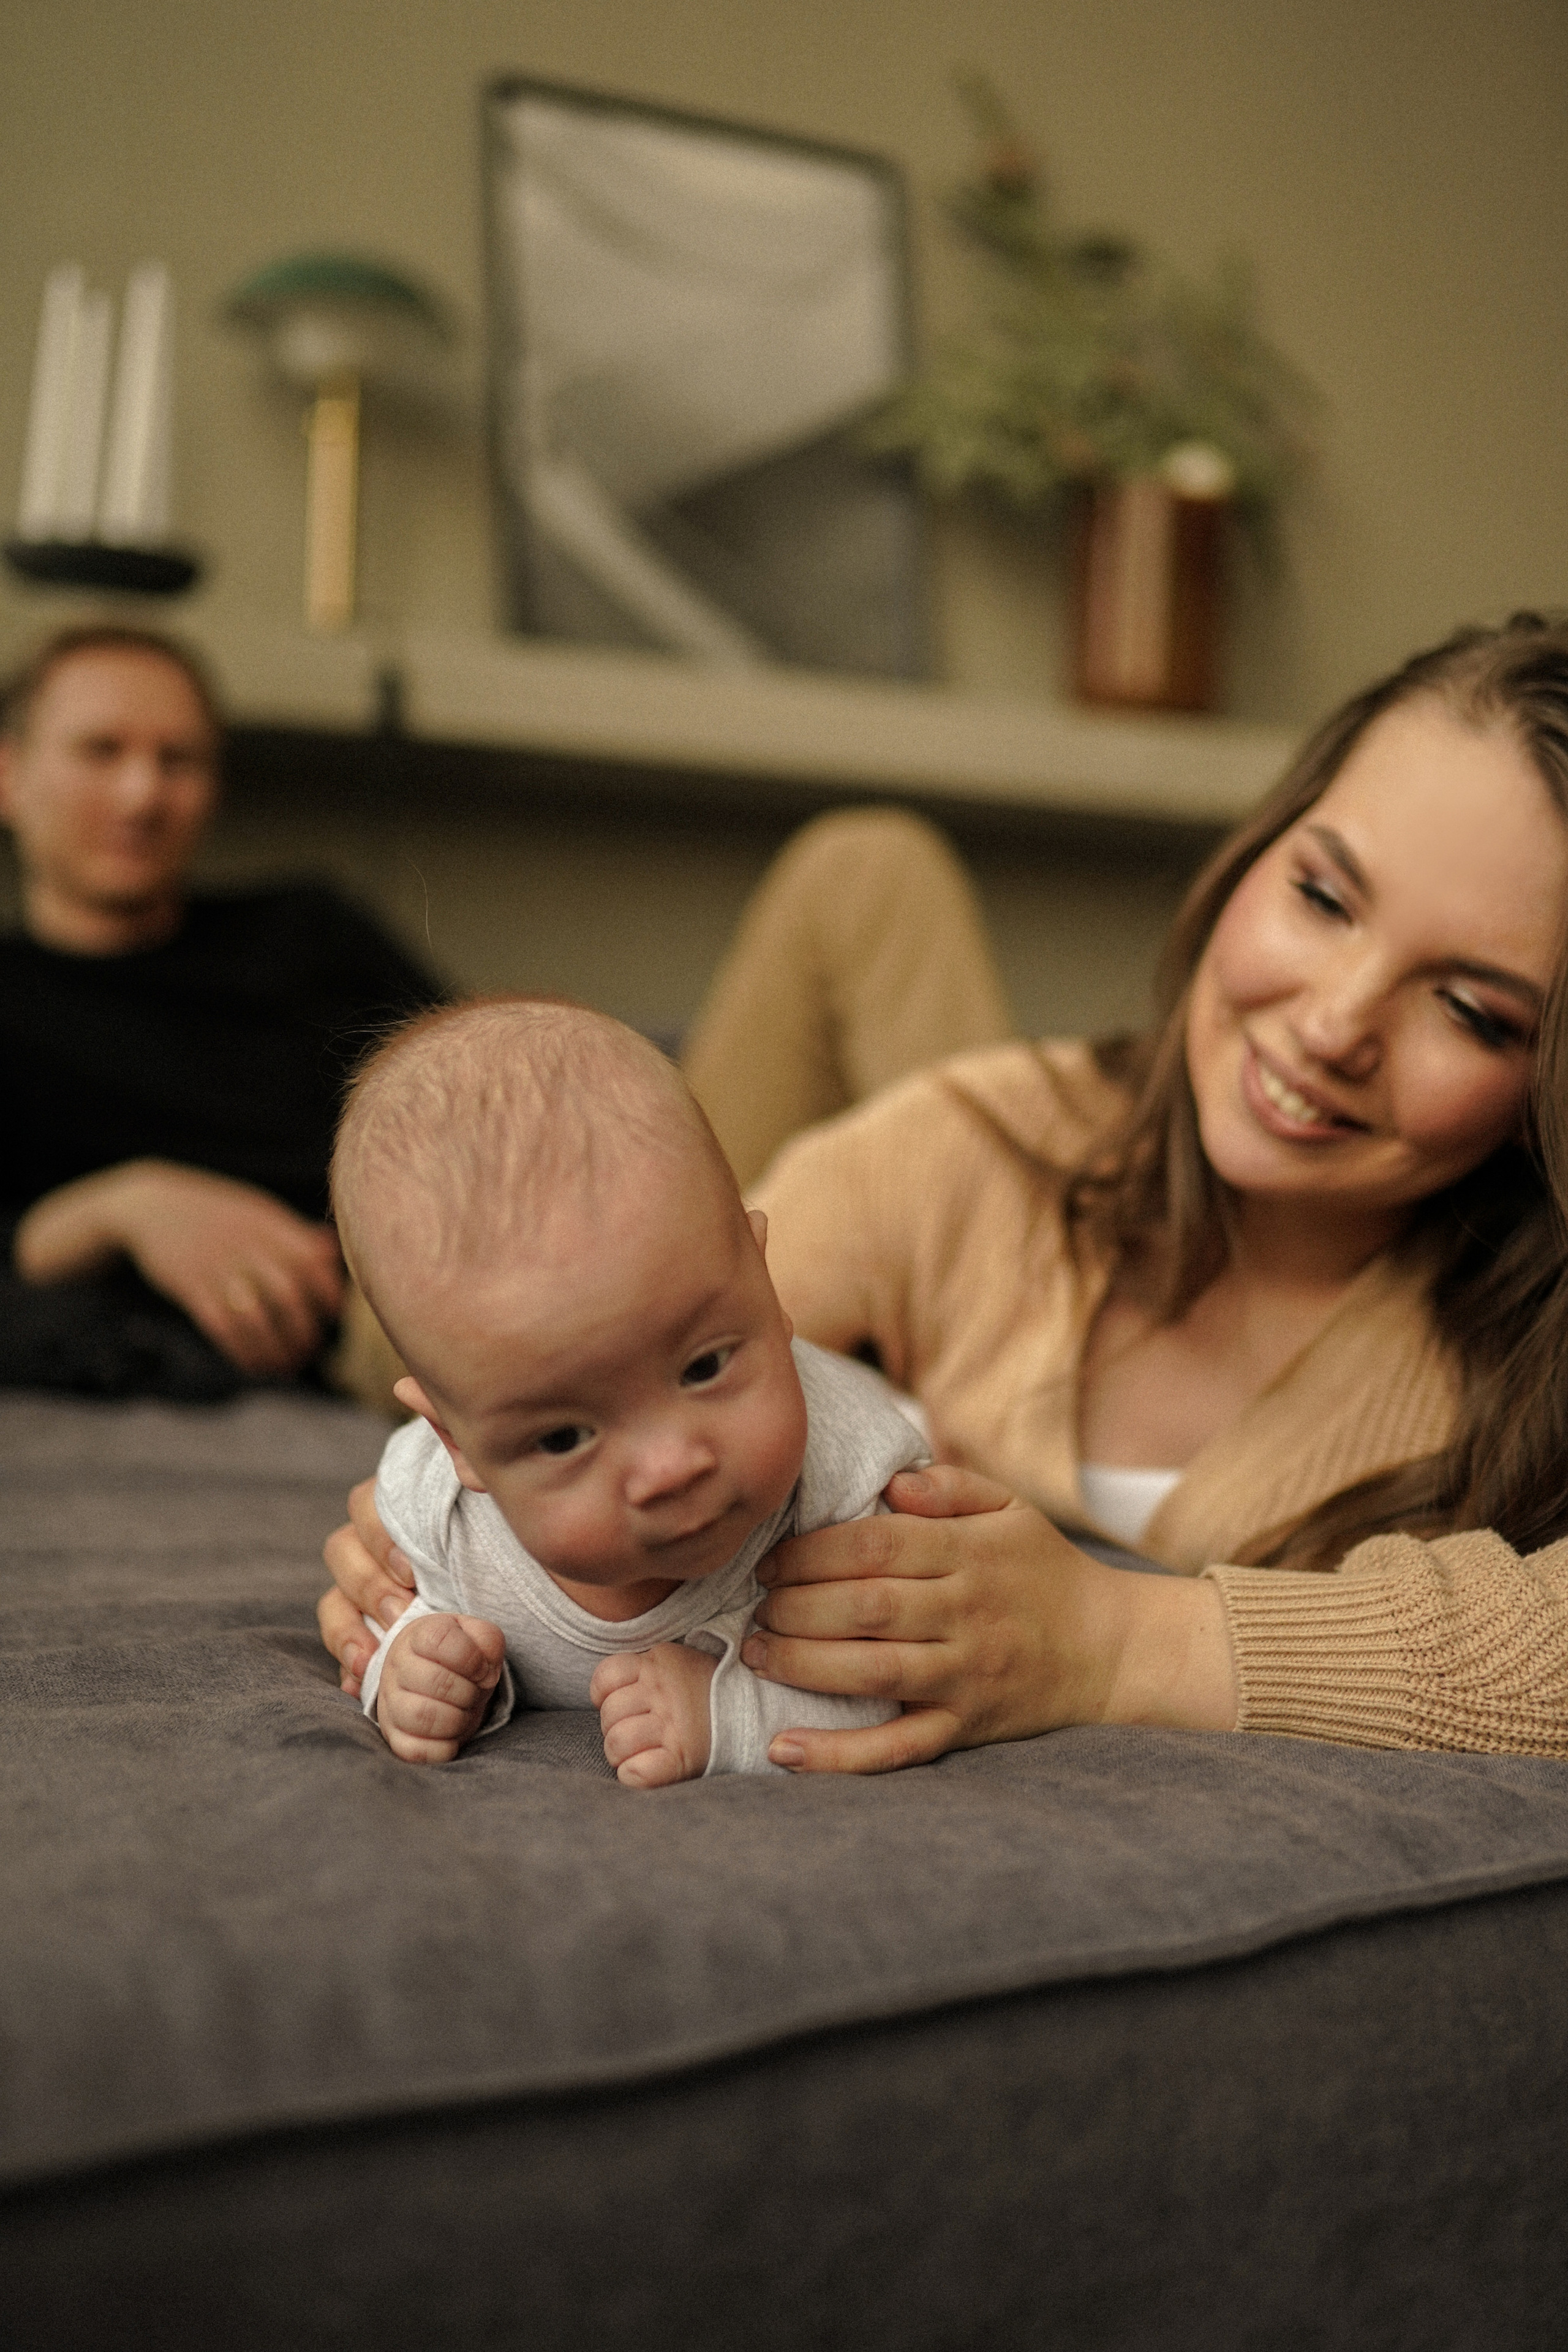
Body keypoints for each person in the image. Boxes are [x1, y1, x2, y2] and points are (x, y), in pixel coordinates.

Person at [320, 614, 1568, 1766]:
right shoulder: (984, 1147)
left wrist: (1116, 1637)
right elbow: (584, 1358)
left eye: (1466, 1008)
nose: (1333, 1022)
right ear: (1252, 852)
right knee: (866, 870)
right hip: (996, 1155)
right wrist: (419, 1557)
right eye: (1318, 894)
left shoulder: (1506, 1366)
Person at [331, 996, 927, 1783]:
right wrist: (409, 1674)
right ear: (457, 1444)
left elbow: (906, 1671)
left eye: (705, 1365)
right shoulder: (434, 1513)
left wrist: (727, 1713)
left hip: (875, 1395)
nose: (671, 1466)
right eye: (564, 1437)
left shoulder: (854, 1483)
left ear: (768, 1286)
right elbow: (391, 1624)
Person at [0, 624, 435, 1399]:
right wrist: (124, 1206)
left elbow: (485, 1067)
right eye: (102, 751)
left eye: (179, 760)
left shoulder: (308, 926)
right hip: (378, 1313)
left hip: (486, 1212)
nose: (143, 795)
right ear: (10, 775)